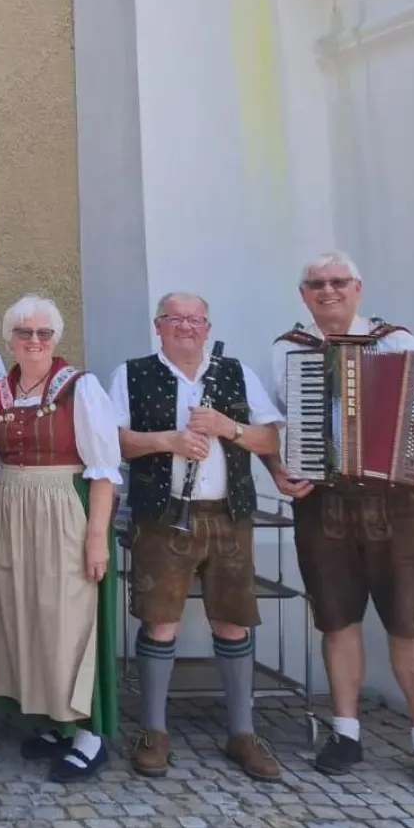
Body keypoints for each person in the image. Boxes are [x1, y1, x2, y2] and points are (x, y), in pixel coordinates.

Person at [265, 251, 414, 795]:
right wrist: (278, 467)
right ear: (303, 294)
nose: (328, 291)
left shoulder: (399, 344)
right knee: (336, 618)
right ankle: (345, 732)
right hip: (324, 501)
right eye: (316, 284)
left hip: (396, 501)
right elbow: (274, 425)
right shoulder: (288, 350)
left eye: (338, 282)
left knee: (410, 623)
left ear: (358, 288)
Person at [107, 293, 284, 781]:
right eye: (175, 319)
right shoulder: (131, 373)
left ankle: (242, 732)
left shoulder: (236, 372)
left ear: (207, 328)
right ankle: (154, 731)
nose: (185, 326)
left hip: (228, 514)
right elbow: (114, 439)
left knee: (233, 622)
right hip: (162, 515)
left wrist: (229, 427)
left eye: (194, 320)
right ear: (158, 325)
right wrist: (169, 440)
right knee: (159, 621)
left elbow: (270, 439)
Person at [0, 295, 122, 783]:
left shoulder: (79, 389)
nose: (33, 342)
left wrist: (96, 537)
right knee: (24, 615)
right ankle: (50, 719)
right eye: (24, 333)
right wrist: (1, 510)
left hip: (64, 507)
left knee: (67, 618)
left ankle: (89, 733)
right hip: (12, 509)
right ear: (9, 339)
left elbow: (104, 471)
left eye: (43, 334)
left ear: (56, 339)